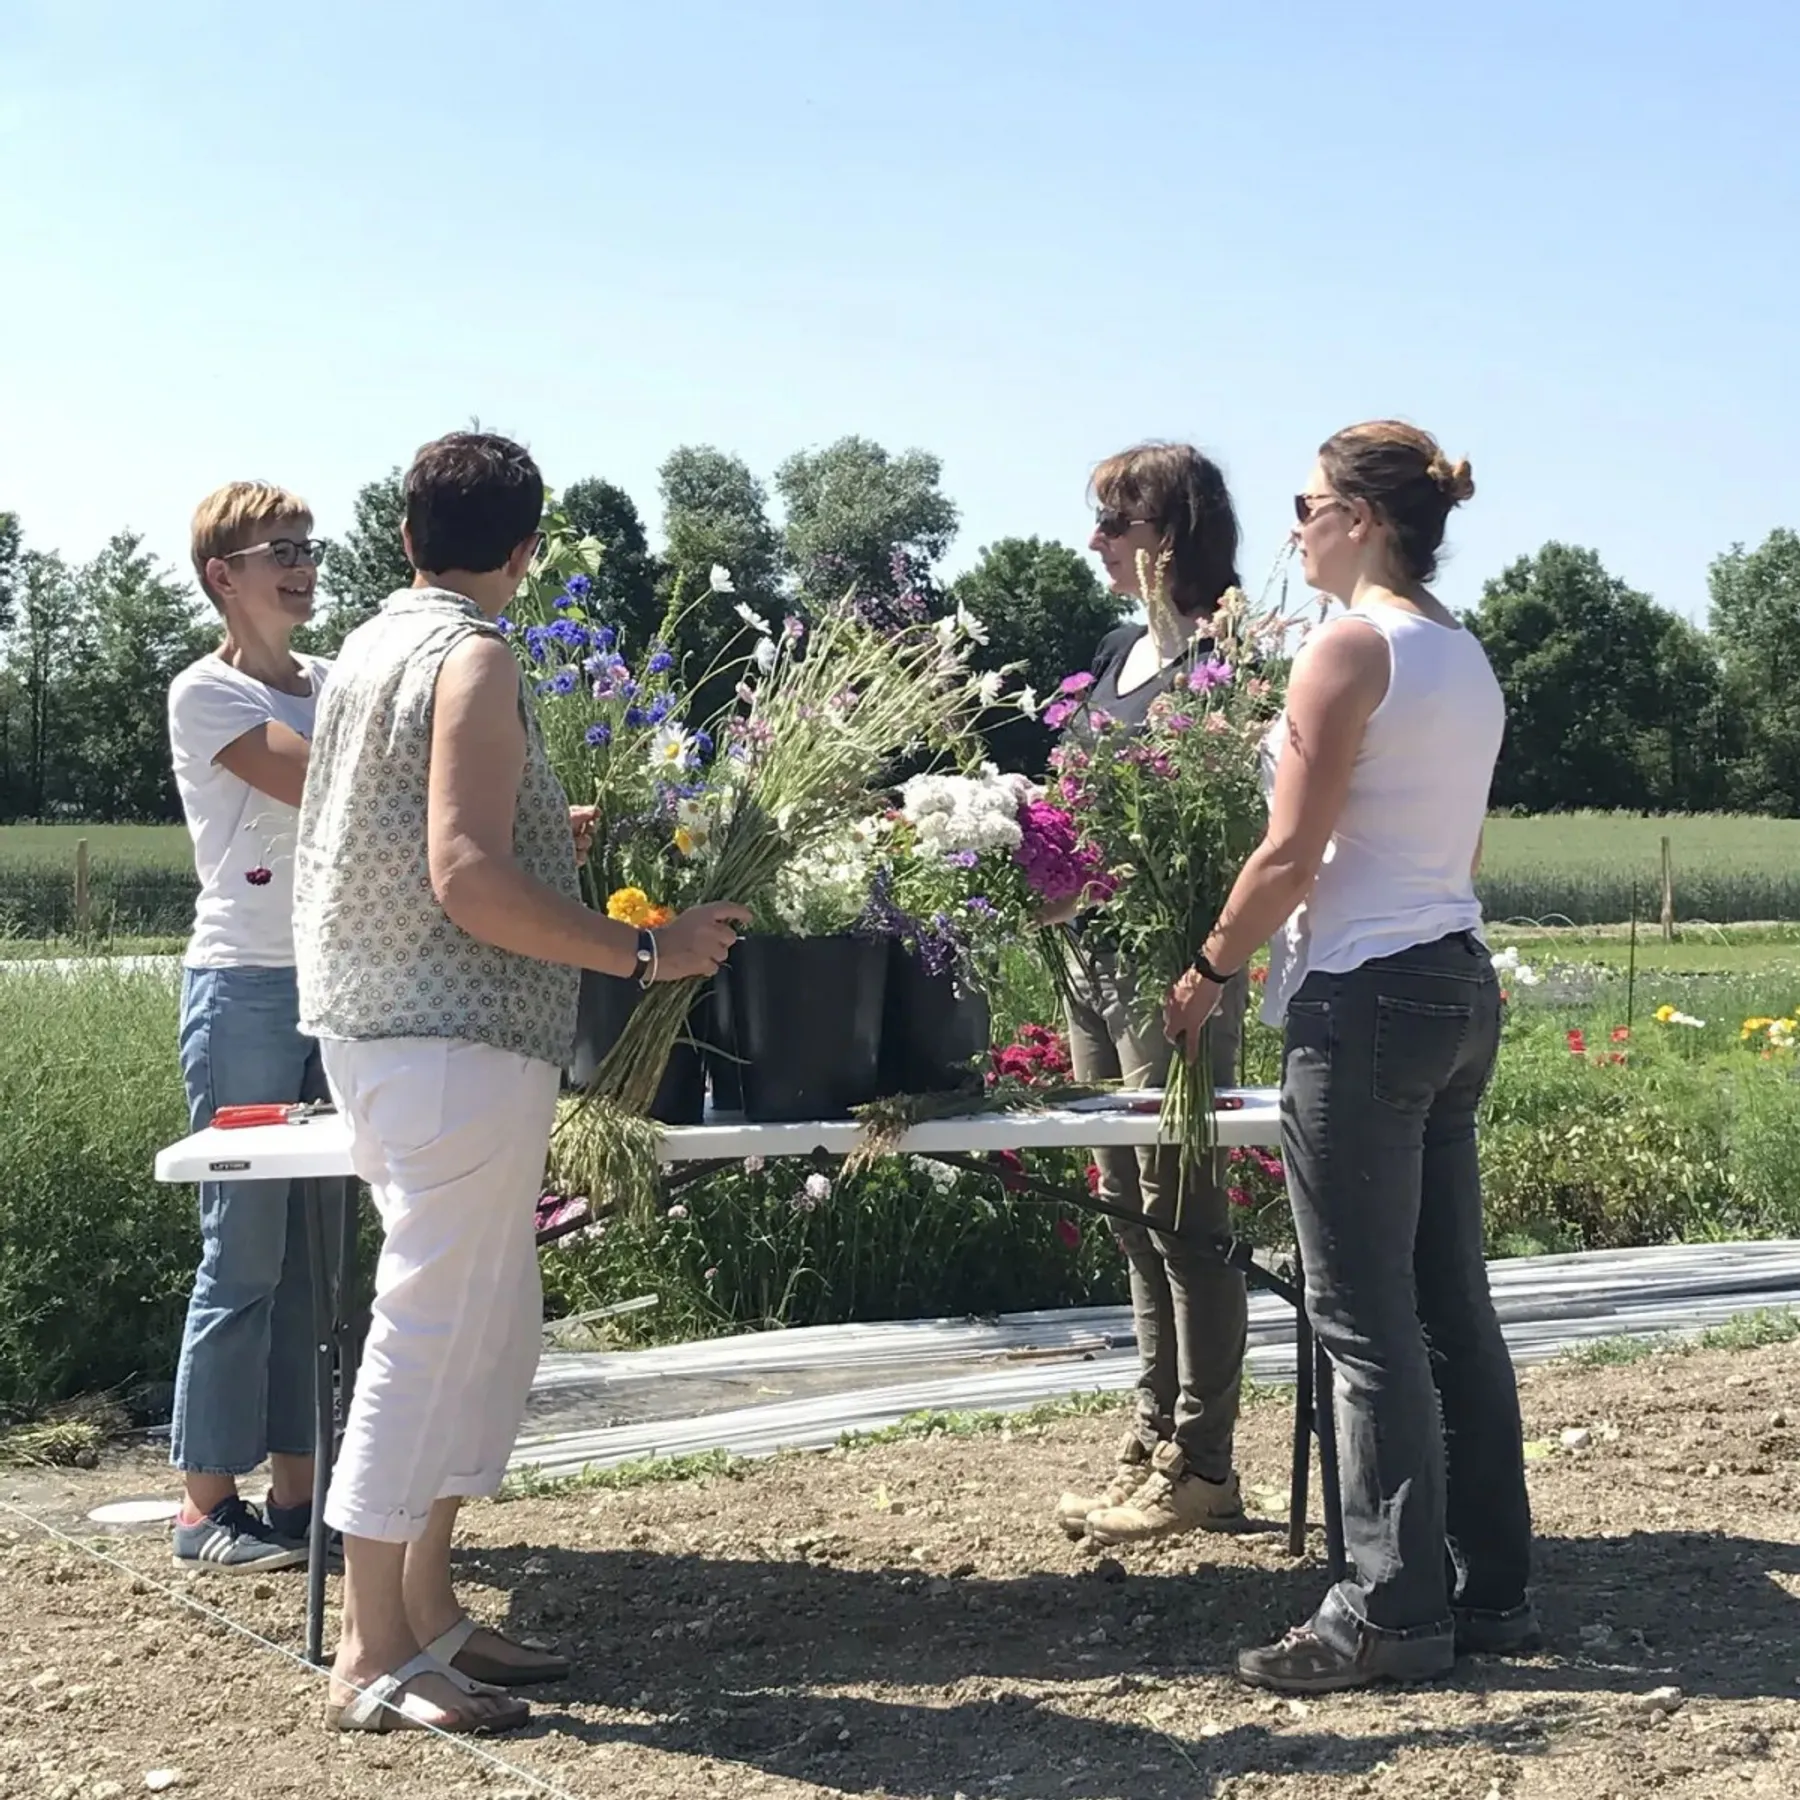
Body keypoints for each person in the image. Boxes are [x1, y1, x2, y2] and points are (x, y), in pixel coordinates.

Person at [295, 431, 748, 1736]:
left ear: (405, 536)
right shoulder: (476, 655)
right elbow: (464, 877)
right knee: (434, 1329)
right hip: (453, 1039)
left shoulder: (372, 651)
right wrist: (647, 952)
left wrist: (554, 829)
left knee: (480, 1326)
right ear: (527, 547)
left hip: (380, 1033)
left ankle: (426, 1612)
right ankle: (371, 1652)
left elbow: (413, 829)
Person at [1164, 421, 1536, 1694]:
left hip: (1365, 998)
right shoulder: (1466, 658)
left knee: (1365, 1319)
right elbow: (1458, 852)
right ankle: (1490, 1586)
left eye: (1310, 504)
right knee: (1450, 1303)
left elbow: (1285, 855)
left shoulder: (1350, 649)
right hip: (1453, 979)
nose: (1295, 525)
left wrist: (1209, 972)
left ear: (1365, 519)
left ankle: (1387, 1608)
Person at [1049, 442, 1251, 1547]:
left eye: (1113, 523)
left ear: (1165, 535)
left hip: (1172, 967)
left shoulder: (1227, 665)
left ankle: (1202, 1459)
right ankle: (1148, 1438)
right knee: (1129, 1215)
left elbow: (1234, 824)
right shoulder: (1117, 651)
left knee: (1186, 1217)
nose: (1096, 543)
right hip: (1090, 956)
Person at [166, 482, 343, 1572]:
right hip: (244, 989)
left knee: (320, 1262)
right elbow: (322, 782)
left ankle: (295, 1497)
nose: (302, 564)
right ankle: (201, 1508)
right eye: (279, 549)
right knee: (244, 1253)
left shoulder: (333, 683)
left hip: (338, 988)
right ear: (223, 576)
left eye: (309, 548)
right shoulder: (207, 694)